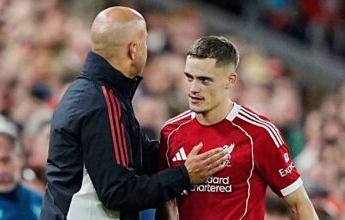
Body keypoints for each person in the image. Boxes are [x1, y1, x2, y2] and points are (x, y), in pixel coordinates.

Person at [40, 6, 228, 220]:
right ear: (134, 50)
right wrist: (184, 176)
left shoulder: (93, 93)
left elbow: (137, 154)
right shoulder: (103, 102)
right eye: (145, 41)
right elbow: (118, 192)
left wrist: (189, 146)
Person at [156, 36, 318, 219]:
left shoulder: (260, 133)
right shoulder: (171, 132)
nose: (193, 88)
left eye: (204, 80)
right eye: (189, 77)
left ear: (230, 80)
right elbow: (167, 202)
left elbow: (299, 203)